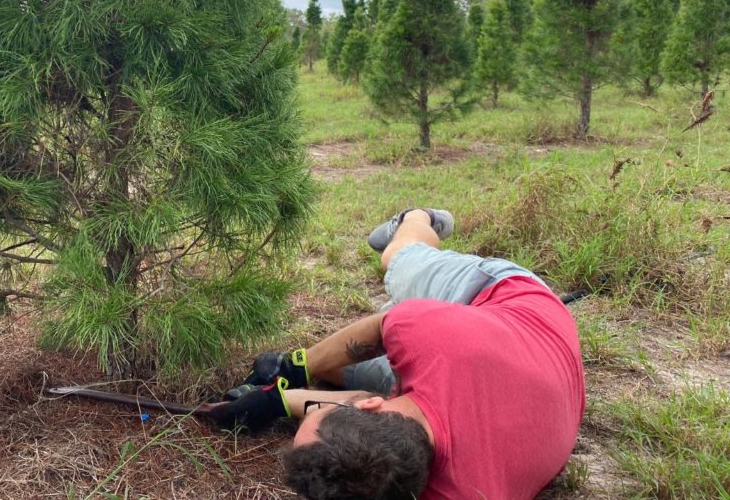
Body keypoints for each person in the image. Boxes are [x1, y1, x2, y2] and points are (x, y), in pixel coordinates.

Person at [210, 208, 585, 500]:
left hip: (497, 324)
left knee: (387, 280)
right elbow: (380, 335)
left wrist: (282, 395)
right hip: (517, 307)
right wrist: (291, 380)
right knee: (390, 279)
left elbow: (370, 365)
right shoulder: (436, 342)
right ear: (375, 406)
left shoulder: (452, 484)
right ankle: (415, 225)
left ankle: (414, 219)